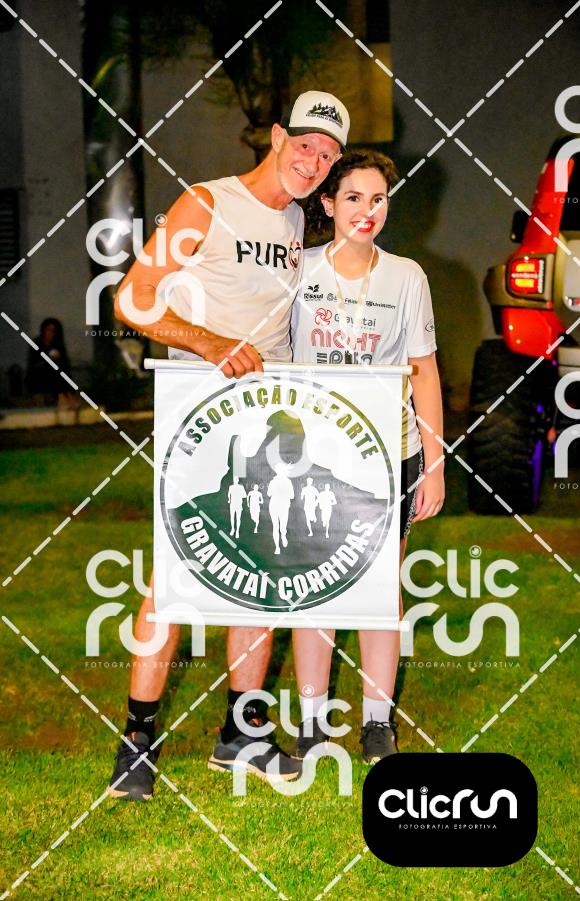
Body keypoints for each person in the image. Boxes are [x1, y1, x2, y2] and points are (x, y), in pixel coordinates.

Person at [108, 91, 350, 799]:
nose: (314, 161)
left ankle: (241, 736)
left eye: (328, 154)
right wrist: (211, 344)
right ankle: (136, 741)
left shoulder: (295, 219)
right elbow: (132, 297)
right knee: (175, 577)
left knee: (259, 575)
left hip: (268, 418)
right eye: (304, 145)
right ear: (275, 137)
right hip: (200, 411)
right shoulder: (206, 203)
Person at [290, 149, 444, 764]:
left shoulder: (407, 277)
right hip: (314, 460)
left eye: (378, 199)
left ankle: (378, 723)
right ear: (328, 204)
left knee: (381, 590)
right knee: (314, 590)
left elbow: (424, 371)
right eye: (353, 197)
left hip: (390, 455)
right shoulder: (298, 269)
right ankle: (311, 723)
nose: (367, 210)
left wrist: (434, 463)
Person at [267, 463, 295, 554]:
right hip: (273, 506)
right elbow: (268, 494)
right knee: (275, 527)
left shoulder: (288, 482)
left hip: (283, 506)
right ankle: (277, 547)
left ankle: (283, 535)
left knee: (282, 527)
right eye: (277, 470)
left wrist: (283, 492)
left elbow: (292, 496)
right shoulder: (273, 482)